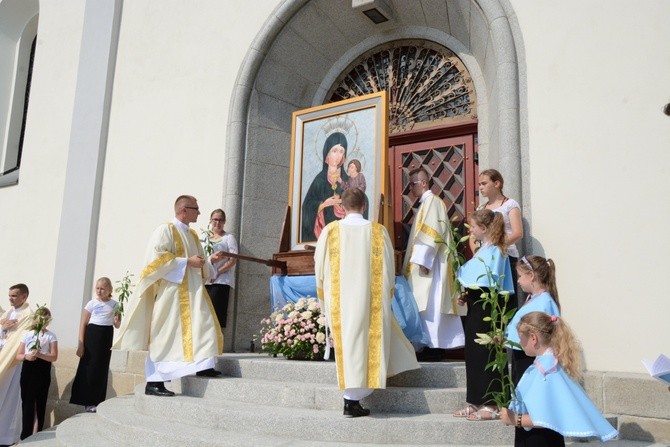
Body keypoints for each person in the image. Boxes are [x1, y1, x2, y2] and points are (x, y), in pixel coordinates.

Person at [315, 188, 419, 417]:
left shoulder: (330, 231)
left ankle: (351, 399)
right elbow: (389, 268)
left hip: (339, 300)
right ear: (364, 206)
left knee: (349, 345)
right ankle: (352, 399)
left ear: (341, 206)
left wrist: (324, 297)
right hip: (370, 299)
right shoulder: (378, 231)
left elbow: (319, 266)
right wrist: (387, 294)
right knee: (367, 345)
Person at [113, 195, 226, 397]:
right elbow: (156, 260)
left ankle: (203, 365)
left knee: (204, 326)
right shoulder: (165, 230)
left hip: (194, 292)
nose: (199, 212)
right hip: (172, 295)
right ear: (184, 210)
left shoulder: (191, 234)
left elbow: (197, 261)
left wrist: (208, 261)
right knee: (166, 337)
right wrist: (186, 262)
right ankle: (155, 382)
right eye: (196, 209)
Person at [500, 312, 619, 445]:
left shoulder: (547, 371)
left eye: (521, 338)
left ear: (533, 338)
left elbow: (545, 416)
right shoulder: (547, 364)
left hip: (540, 440)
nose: (520, 343)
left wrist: (515, 419)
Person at [455, 209, 514, 420]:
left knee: (487, 354)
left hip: (489, 308)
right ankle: (475, 400)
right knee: (473, 354)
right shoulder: (482, 250)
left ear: (484, 228)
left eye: (473, 227)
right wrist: (466, 295)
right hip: (476, 307)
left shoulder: (498, 250)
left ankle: (492, 403)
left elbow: (492, 282)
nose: (470, 230)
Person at [402, 167, 465, 360]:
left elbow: (431, 232)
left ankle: (434, 347)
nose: (410, 189)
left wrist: (424, 259)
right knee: (426, 306)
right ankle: (426, 346)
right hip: (428, 263)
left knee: (432, 305)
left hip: (431, 266)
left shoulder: (432, 202)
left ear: (423, 183)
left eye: (412, 184)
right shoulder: (425, 203)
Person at [301, 132, 368, 242]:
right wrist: (323, 205)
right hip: (325, 237)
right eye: (334, 151)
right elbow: (307, 207)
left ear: (344, 156)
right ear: (327, 154)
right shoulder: (319, 181)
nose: (338, 155)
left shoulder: (348, 180)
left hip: (347, 237)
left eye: (341, 151)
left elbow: (363, 200)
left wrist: (346, 204)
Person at [506, 256, 561, 385]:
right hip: (522, 351)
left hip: (530, 356)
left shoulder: (544, 301)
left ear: (531, 275)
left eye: (520, 276)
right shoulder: (533, 299)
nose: (518, 280)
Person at [70, 277, 121, 413]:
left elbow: (117, 325)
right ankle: (88, 401)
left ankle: (98, 400)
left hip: (106, 336)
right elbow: (83, 324)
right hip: (92, 335)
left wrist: (118, 319)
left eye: (102, 288)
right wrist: (80, 344)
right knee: (90, 367)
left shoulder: (115, 305)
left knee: (101, 368)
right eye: (97, 288)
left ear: (110, 290)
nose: (99, 291)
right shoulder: (91, 303)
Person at [470, 169, 523, 287]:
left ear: (497, 184)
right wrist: (478, 252)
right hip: (485, 257)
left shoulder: (509, 204)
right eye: (479, 184)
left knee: (504, 296)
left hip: (505, 256)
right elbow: (473, 235)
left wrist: (496, 247)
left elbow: (517, 233)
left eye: (484, 183)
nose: (480, 187)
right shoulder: (480, 209)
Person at [16, 306, 58, 440]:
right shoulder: (28, 334)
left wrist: (39, 354)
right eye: (40, 319)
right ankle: (25, 435)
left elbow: (54, 356)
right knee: (27, 402)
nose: (43, 322)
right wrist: (26, 357)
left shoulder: (51, 336)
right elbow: (18, 355)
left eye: (46, 319)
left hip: (42, 369)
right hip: (28, 368)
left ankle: (35, 434)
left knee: (39, 401)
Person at [0, 283, 33, 446]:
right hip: (2, 357)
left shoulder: (28, 315)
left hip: (13, 363)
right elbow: (3, 335)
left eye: (14, 295)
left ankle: (5, 437)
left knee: (9, 399)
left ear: (24, 296)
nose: (10, 298)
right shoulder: (9, 312)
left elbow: (22, 339)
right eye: (9, 295)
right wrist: (3, 329)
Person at [204, 209, 238, 329]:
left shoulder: (229, 238)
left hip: (221, 280)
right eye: (215, 220)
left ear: (224, 222)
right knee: (204, 313)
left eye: (221, 220)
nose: (218, 223)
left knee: (217, 313)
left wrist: (217, 273)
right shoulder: (205, 237)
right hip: (206, 279)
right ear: (211, 220)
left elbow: (233, 259)